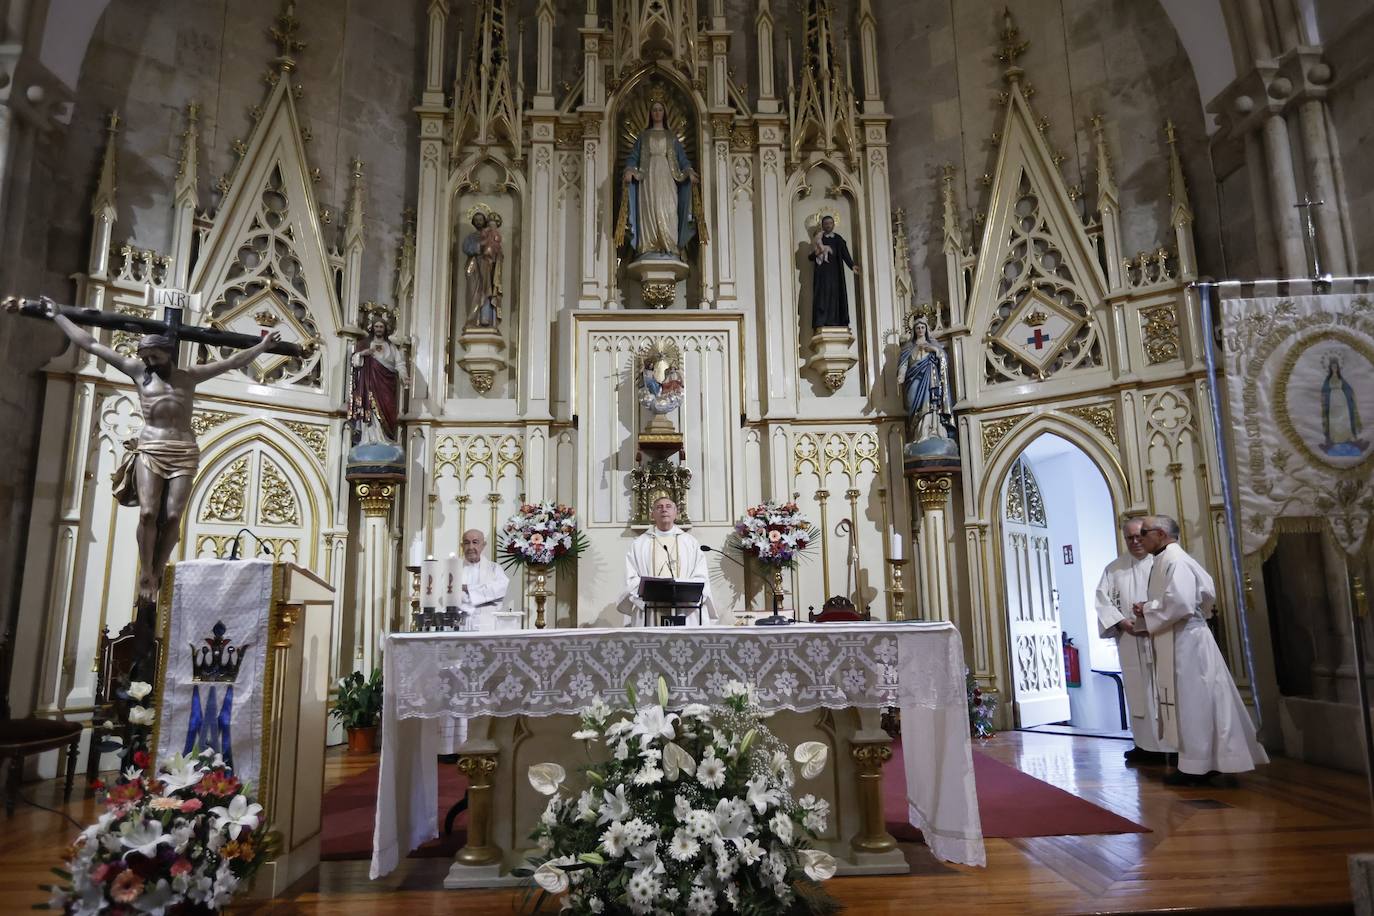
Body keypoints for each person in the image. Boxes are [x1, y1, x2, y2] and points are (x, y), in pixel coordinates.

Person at [5, 297, 280, 605]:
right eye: (145, 356)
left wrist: (262, 346)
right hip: (151, 448)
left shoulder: (189, 376)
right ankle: (145, 571)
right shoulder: (139, 373)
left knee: (174, 516)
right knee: (148, 512)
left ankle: (158, 569)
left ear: (169, 352)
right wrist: (58, 315)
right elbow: (92, 345)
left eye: (154, 355)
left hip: (184, 450)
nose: (149, 361)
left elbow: (232, 363)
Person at [1133, 515, 1268, 786]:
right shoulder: (1169, 559)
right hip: (1185, 636)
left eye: (1144, 533)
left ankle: (1198, 765)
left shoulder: (1175, 560)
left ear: (1159, 534)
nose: (1139, 539)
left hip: (1187, 642)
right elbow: (1204, 596)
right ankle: (1207, 761)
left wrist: (1147, 609)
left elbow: (1181, 603)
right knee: (1200, 701)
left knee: (1194, 702)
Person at [1094, 518, 1169, 763]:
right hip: (1129, 638)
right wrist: (1121, 622)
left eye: (1139, 536)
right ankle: (1144, 745)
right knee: (1137, 690)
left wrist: (1153, 620)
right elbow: (1102, 601)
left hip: (1160, 636)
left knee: (1163, 690)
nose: (1135, 542)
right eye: (1130, 538)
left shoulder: (1162, 563)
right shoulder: (1114, 568)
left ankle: (1171, 746)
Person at [623, 495, 716, 625]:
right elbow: (631, 578)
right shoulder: (639, 544)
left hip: (684, 608)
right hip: (651, 609)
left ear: (676, 513)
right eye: (659, 507)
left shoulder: (690, 542)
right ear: (652, 514)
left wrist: (685, 590)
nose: (664, 510)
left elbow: (701, 576)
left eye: (668, 507)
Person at [622, 99, 698, 258]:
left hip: (667, 176)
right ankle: (649, 246)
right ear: (650, 114)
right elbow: (633, 158)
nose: (657, 112)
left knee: (668, 207)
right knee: (650, 207)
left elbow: (682, 159)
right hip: (648, 178)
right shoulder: (644, 137)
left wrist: (689, 171)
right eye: (654, 110)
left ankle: (669, 244)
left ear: (665, 113)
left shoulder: (671, 137)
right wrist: (629, 170)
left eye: (660, 110)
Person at [348, 313, 408, 446]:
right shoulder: (364, 344)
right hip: (369, 384)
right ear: (372, 328)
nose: (379, 329)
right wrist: (363, 354)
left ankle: (385, 437)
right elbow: (354, 361)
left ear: (385, 329)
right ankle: (369, 438)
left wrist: (404, 376)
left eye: (381, 327)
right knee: (370, 407)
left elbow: (399, 363)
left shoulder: (391, 347)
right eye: (377, 326)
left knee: (388, 410)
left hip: (386, 385)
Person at [897, 316, 956, 443]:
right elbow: (904, 364)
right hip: (914, 380)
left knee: (930, 405)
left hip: (930, 379)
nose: (920, 330)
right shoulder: (908, 347)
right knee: (914, 405)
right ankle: (917, 434)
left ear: (926, 329)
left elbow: (943, 358)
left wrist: (933, 350)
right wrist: (901, 375)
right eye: (917, 328)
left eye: (922, 327)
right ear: (914, 330)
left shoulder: (933, 344)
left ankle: (929, 431)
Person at [808, 215, 858, 329]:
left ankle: (835, 321)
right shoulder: (818, 239)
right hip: (822, 276)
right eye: (826, 223)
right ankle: (822, 321)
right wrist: (818, 251)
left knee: (835, 296)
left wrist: (852, 265)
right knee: (823, 297)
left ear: (833, 225)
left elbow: (845, 254)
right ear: (822, 225)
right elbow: (810, 257)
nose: (828, 225)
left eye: (830, 223)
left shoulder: (838, 239)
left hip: (836, 275)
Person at [457, 529, 509, 631]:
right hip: (461, 624)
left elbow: (500, 590)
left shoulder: (494, 568)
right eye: (467, 543)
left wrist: (467, 588)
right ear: (462, 546)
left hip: (487, 624)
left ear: (483, 545)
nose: (471, 547)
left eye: (475, 542)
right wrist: (484, 596)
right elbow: (447, 594)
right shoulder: (453, 569)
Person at [461, 211, 500, 328]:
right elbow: (466, 248)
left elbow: (495, 251)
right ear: (473, 222)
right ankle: (471, 321)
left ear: (484, 221)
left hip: (485, 265)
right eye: (476, 219)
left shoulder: (489, 235)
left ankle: (484, 319)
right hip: (472, 267)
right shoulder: (471, 237)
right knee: (473, 293)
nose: (478, 222)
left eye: (480, 219)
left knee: (486, 291)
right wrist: (481, 245)